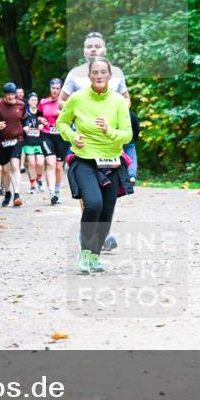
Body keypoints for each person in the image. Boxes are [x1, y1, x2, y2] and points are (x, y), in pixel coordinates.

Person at [57, 57, 132, 274]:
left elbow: (127, 135)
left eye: (103, 72)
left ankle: (95, 255)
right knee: (93, 204)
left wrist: (109, 130)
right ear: (89, 76)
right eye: (95, 72)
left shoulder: (118, 101)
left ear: (110, 75)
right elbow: (61, 122)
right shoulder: (77, 99)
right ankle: (85, 251)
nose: (99, 76)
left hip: (112, 163)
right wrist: (73, 136)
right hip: (85, 160)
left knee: (107, 212)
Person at [59, 32, 131, 107]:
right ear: (84, 51)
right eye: (89, 47)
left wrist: (120, 112)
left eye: (98, 46)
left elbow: (126, 99)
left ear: (105, 51)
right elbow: (61, 101)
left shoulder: (116, 72)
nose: (93, 49)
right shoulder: (74, 74)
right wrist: (78, 111)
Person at [0, 83, 26, 207]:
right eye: (8, 94)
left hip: (17, 139)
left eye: (12, 94)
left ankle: (17, 195)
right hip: (2, 142)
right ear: (4, 94)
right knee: (5, 170)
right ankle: (8, 192)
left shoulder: (21, 105)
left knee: (15, 165)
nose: (10, 97)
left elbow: (24, 119)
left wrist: (28, 126)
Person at [38, 78, 68, 205]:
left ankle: (57, 191)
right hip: (47, 135)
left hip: (61, 136)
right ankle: (51, 193)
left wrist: (61, 113)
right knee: (50, 163)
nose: (55, 90)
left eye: (57, 88)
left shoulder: (65, 103)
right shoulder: (43, 102)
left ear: (60, 89)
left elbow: (74, 116)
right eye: (53, 88)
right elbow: (37, 115)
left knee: (59, 166)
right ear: (50, 88)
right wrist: (40, 120)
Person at [22, 92, 44, 194]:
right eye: (32, 100)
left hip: (39, 141)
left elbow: (44, 122)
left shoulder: (40, 112)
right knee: (31, 163)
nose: (34, 102)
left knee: (40, 163)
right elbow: (20, 123)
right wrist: (24, 128)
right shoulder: (25, 113)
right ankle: (32, 185)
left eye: (35, 100)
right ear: (28, 101)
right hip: (28, 141)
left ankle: (39, 179)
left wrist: (42, 126)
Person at [123, 109, 139, 182]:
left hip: (118, 140)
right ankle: (131, 176)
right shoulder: (132, 114)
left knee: (120, 158)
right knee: (131, 158)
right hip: (130, 140)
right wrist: (134, 138)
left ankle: (121, 176)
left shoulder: (114, 112)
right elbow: (137, 129)